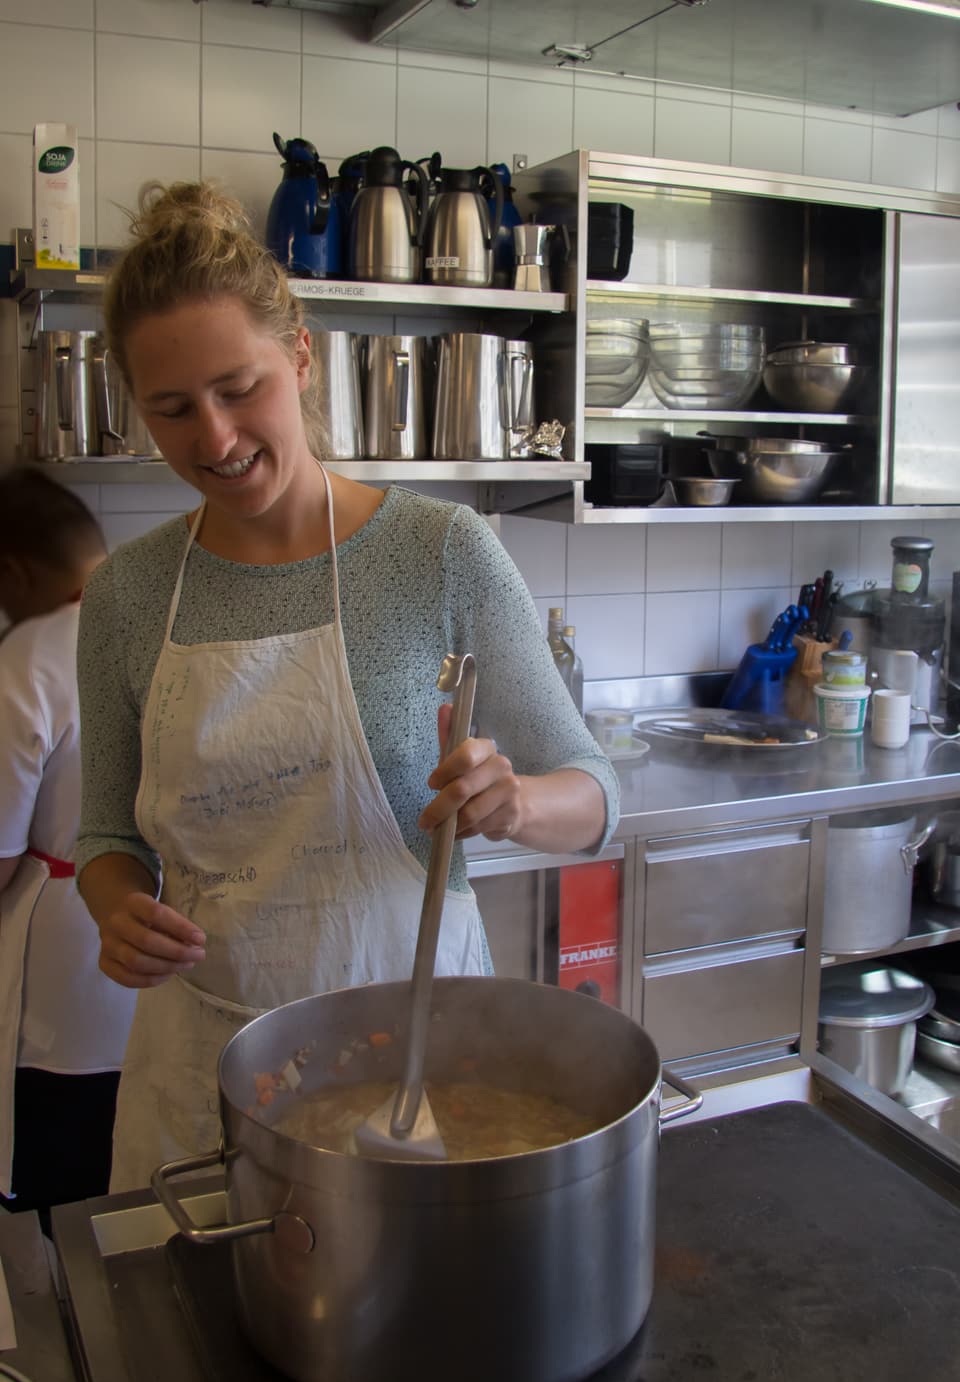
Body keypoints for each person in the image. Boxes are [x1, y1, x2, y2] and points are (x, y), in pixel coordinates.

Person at [75, 181, 620, 1193]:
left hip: (422, 1065)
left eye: (240, 388)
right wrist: (117, 908)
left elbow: (592, 793)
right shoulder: (126, 597)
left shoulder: (441, 553)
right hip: (208, 1067)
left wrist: (519, 801)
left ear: (299, 355)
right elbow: (108, 836)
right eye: (173, 409)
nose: (217, 439)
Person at [0, 466, 136, 1230]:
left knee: (59, 1210)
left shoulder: (29, 655)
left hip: (64, 994)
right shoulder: (165, 625)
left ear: (14, 571)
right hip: (173, 955)